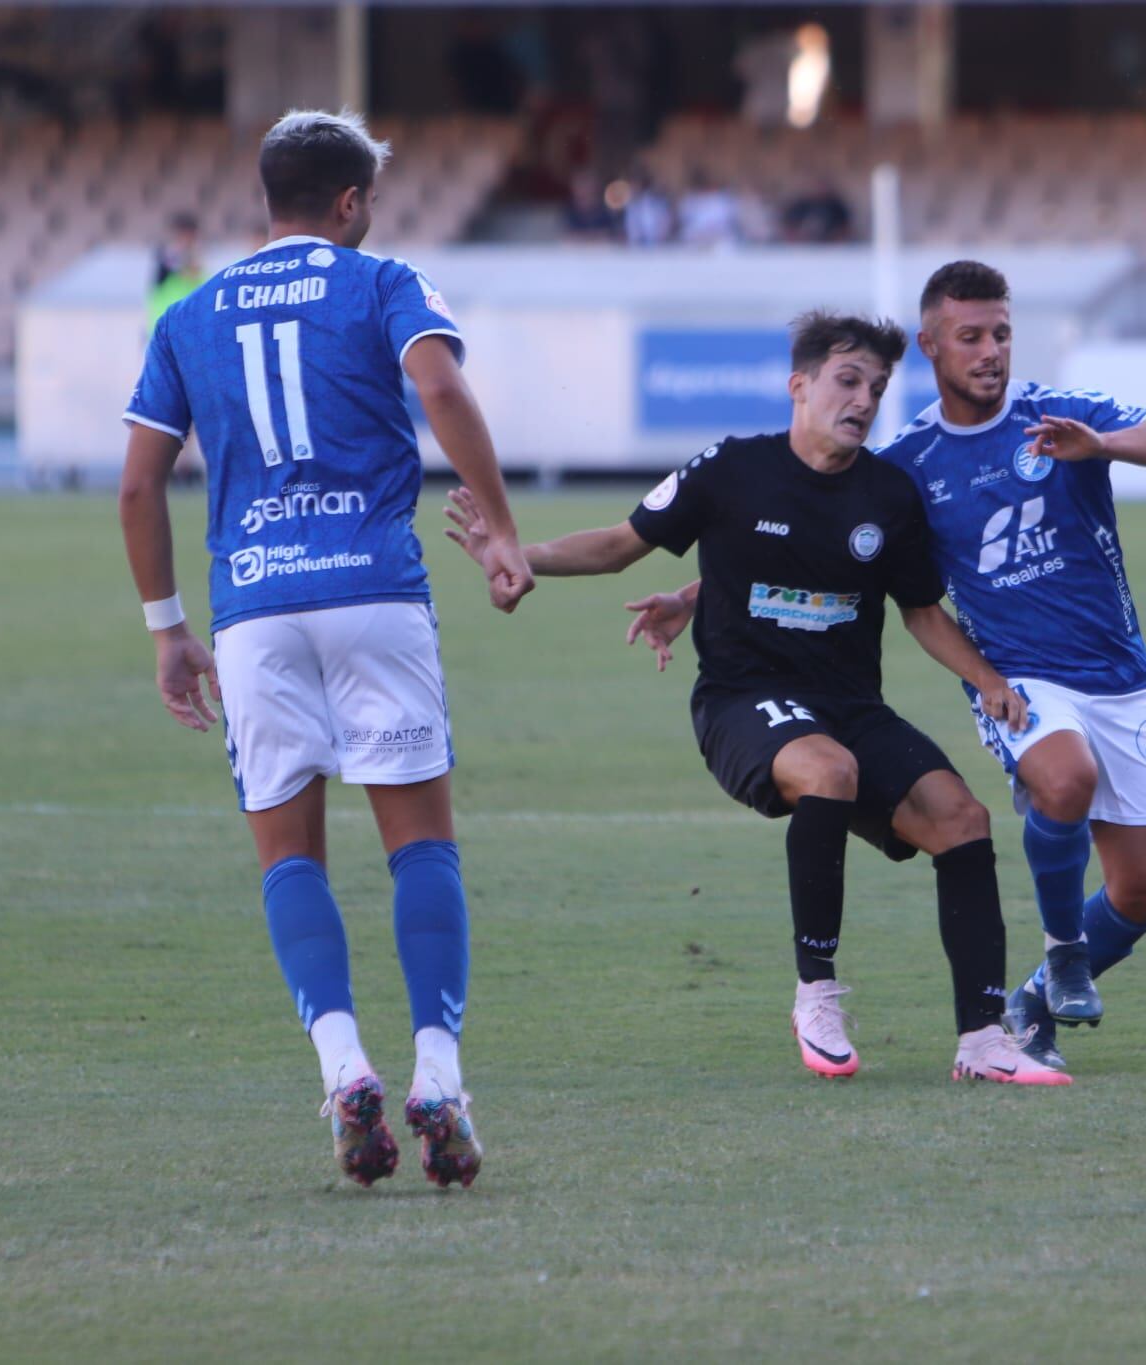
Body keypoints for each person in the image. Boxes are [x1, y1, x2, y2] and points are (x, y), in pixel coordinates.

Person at [443, 311, 1068, 1087]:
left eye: (876, 387)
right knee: (829, 769)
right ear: (798, 386)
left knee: (962, 819)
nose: (865, 399)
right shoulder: (731, 469)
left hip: (849, 704)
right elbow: (617, 544)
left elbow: (919, 609)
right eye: (847, 380)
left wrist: (987, 678)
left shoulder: (889, 495)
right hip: (743, 701)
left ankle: (982, 1041)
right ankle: (816, 994)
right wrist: (517, 555)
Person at [628, 261, 1146, 1072]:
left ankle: (1032, 998)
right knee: (1063, 779)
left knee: (1145, 887)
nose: (992, 350)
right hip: (1014, 675)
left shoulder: (1057, 415)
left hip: (1118, 673)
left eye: (1002, 333)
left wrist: (1099, 445)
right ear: (932, 346)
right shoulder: (909, 464)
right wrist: (698, 591)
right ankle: (1063, 951)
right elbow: (821, 541)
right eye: (971, 336)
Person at [118, 109, 534, 1190]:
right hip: (373, 592)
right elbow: (439, 386)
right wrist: (494, 525)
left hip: (252, 610)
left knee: (289, 856)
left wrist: (168, 628)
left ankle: (342, 1064)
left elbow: (136, 481)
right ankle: (437, 1074)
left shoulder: (191, 309)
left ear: (271, 195)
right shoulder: (381, 279)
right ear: (350, 202)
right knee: (419, 845)